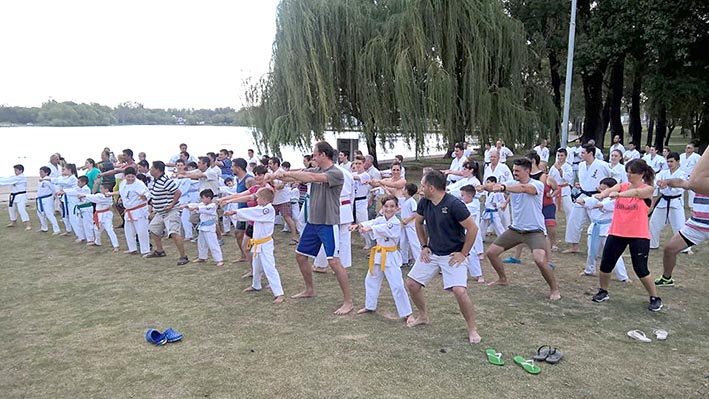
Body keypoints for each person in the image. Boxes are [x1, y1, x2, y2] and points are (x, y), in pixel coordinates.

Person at [266, 141, 353, 316]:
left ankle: (348, 302)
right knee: (300, 256)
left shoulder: (335, 173)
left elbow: (310, 178)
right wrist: (278, 176)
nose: (313, 157)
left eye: (315, 154)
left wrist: (285, 173)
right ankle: (309, 289)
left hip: (328, 223)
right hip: (313, 223)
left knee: (334, 262)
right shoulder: (316, 170)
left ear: (323, 155)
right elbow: (297, 176)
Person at [405, 170, 481, 343]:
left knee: (460, 291)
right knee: (412, 283)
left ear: (431, 188)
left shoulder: (455, 204)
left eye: (423, 185)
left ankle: (472, 330)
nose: (421, 189)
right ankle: (423, 316)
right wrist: (424, 245)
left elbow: (473, 228)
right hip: (432, 252)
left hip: (453, 255)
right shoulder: (424, 202)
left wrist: (463, 253)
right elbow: (418, 222)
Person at [591, 160, 663, 311]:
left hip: (638, 234)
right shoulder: (622, 185)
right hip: (617, 231)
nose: (629, 175)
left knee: (641, 269)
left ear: (642, 174)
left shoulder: (648, 189)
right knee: (606, 264)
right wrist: (603, 194)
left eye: (633, 172)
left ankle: (655, 298)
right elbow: (612, 189)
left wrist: (619, 195)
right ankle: (603, 291)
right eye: (628, 171)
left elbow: (636, 193)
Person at [484, 158, 561, 300]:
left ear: (528, 171)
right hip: (515, 230)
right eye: (513, 170)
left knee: (539, 260)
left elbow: (524, 189)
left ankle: (554, 290)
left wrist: (502, 188)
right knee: (491, 253)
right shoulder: (512, 183)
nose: (514, 173)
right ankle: (502, 279)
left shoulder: (537, 184)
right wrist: (486, 187)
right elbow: (498, 186)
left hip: (534, 231)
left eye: (517, 171)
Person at [350, 195, 413, 322]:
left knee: (397, 285)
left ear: (397, 208)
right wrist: (358, 225)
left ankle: (408, 313)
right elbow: (373, 222)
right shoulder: (380, 219)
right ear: (382, 207)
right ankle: (370, 305)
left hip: (390, 255)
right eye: (386, 206)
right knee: (371, 280)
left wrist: (370, 228)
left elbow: (384, 229)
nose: (389, 209)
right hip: (378, 253)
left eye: (392, 206)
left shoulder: (396, 222)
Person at [226, 188, 284, 304]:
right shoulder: (260, 208)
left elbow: (253, 213)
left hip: (265, 244)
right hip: (257, 244)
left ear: (264, 199)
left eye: (257, 198)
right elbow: (251, 211)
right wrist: (235, 212)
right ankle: (256, 285)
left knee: (269, 267)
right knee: (256, 266)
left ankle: (279, 293)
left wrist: (236, 212)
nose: (256, 199)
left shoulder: (268, 210)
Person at [654, 174, 709, 287]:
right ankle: (666, 279)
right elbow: (681, 182)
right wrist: (668, 181)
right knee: (669, 250)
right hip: (696, 225)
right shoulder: (699, 181)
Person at [576, 177, 630, 281]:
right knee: (591, 251)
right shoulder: (596, 197)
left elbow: (598, 205)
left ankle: (623, 277)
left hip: (608, 229)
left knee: (613, 253)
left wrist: (586, 202)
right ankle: (589, 270)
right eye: (600, 188)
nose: (602, 191)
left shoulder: (615, 200)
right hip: (595, 227)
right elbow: (588, 201)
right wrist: (582, 200)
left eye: (604, 189)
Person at [564, 145, 614, 253]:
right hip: (582, 196)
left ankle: (602, 250)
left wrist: (607, 189)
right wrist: (580, 185)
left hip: (597, 196)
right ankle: (574, 246)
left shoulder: (602, 165)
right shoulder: (581, 165)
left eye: (583, 153)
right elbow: (583, 179)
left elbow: (613, 178)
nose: (580, 155)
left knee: (598, 222)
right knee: (574, 220)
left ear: (590, 153)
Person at [313, 160, 355, 272]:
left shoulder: (328, 173)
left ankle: (321, 264)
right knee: (344, 239)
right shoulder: (347, 173)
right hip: (346, 206)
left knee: (327, 236)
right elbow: (352, 194)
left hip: (332, 206)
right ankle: (343, 266)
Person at [146, 161, 188, 265]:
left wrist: (171, 205)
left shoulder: (166, 181)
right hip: (161, 212)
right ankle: (160, 251)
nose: (150, 170)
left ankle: (183, 256)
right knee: (153, 229)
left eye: (152, 168)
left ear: (158, 170)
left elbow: (178, 192)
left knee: (174, 233)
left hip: (171, 211)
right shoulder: (156, 181)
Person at [649, 152, 687, 250]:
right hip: (663, 201)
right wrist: (658, 183)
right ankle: (653, 244)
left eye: (672, 161)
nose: (669, 163)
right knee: (653, 223)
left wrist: (668, 185)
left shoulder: (682, 174)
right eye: (668, 161)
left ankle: (684, 248)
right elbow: (655, 181)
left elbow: (681, 187)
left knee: (679, 225)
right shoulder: (663, 173)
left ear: (678, 162)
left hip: (676, 201)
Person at [109, 167, 150, 255]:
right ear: (125, 176)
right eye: (128, 177)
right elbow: (122, 193)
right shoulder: (123, 183)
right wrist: (119, 198)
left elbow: (147, 193)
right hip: (128, 210)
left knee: (142, 231)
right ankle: (132, 249)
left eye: (132, 177)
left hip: (139, 210)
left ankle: (145, 250)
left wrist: (144, 196)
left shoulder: (139, 184)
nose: (130, 178)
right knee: (129, 231)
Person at [182, 189, 223, 266]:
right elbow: (196, 205)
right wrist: (186, 206)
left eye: (203, 198)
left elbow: (202, 209)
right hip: (202, 227)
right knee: (201, 243)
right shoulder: (202, 204)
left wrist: (195, 208)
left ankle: (219, 259)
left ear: (208, 198)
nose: (202, 199)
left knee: (213, 244)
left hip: (210, 227)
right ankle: (202, 257)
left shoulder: (212, 206)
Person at [267, 157, 300, 244]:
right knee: (269, 219)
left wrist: (271, 187)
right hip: (273, 200)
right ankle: (269, 237)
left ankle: (294, 237)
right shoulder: (269, 173)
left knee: (287, 218)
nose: (269, 165)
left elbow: (281, 186)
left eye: (270, 163)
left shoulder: (282, 173)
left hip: (283, 199)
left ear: (276, 164)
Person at [78, 184, 120, 252]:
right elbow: (95, 197)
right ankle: (97, 242)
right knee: (96, 229)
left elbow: (95, 198)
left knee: (109, 229)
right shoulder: (101, 195)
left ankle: (116, 246)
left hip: (106, 215)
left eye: (101, 188)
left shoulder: (105, 196)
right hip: (99, 214)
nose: (100, 189)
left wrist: (84, 195)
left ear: (106, 189)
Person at [58, 175, 94, 243]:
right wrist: (64, 191)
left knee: (87, 224)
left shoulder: (86, 189)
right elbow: (73, 190)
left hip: (86, 208)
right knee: (79, 223)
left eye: (79, 182)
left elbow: (76, 193)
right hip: (80, 208)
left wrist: (65, 192)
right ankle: (81, 237)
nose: (77, 183)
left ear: (84, 183)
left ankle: (90, 239)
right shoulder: (78, 188)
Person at [459, 185, 484, 282]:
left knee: (471, 252)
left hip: (470, 233)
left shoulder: (473, 205)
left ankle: (478, 275)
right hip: (460, 232)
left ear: (469, 196)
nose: (461, 197)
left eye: (463, 195)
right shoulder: (464, 203)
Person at [483, 150, 513, 228]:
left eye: (494, 157)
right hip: (490, 195)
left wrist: (507, 192)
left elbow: (510, 181)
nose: (492, 158)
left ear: (498, 158)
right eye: (491, 157)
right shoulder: (487, 168)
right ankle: (490, 230)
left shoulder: (503, 167)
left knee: (504, 217)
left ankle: (506, 230)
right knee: (489, 215)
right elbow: (485, 182)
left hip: (501, 194)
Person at [47, 164, 78, 235]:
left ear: (69, 170)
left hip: (72, 200)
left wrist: (61, 191)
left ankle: (79, 234)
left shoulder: (73, 178)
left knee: (72, 217)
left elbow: (63, 182)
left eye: (64, 169)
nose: (63, 170)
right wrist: (46, 178)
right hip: (65, 199)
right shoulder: (65, 178)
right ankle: (68, 230)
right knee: (65, 215)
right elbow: (57, 180)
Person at [351, 155, 373, 249]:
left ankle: (368, 242)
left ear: (364, 164)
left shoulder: (365, 175)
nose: (357, 165)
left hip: (361, 200)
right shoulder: (352, 173)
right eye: (356, 163)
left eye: (359, 163)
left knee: (363, 221)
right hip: (353, 200)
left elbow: (356, 178)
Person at [0, 164, 31, 230]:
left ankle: (28, 224)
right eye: (14, 170)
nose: (15, 171)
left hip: (21, 196)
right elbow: (6, 179)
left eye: (16, 170)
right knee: (11, 209)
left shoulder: (21, 177)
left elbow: (8, 181)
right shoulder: (14, 177)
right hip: (13, 195)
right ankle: (13, 222)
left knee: (21, 210)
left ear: (21, 170)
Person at [548, 148, 574, 222]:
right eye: (558, 155)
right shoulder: (553, 167)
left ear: (566, 156)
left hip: (564, 190)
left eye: (561, 155)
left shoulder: (568, 167)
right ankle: (551, 223)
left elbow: (568, 178)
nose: (559, 157)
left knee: (569, 210)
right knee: (551, 209)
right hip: (554, 190)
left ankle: (570, 224)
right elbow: (550, 178)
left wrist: (560, 170)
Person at [399, 183, 421, 267]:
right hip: (404, 225)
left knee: (414, 243)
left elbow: (415, 213)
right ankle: (403, 260)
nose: (402, 190)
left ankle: (419, 261)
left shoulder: (412, 201)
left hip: (410, 225)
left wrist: (407, 220)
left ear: (407, 191)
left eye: (403, 188)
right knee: (403, 242)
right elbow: (394, 196)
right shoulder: (404, 200)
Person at [36, 166, 60, 234]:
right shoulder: (40, 180)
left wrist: (55, 195)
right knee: (40, 213)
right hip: (40, 198)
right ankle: (44, 227)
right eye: (40, 172)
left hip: (47, 199)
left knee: (49, 214)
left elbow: (53, 188)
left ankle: (56, 229)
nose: (40, 173)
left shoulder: (49, 180)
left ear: (46, 173)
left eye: (42, 172)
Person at [679, 143, 701, 208]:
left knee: (691, 192)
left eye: (689, 148)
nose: (687, 149)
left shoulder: (697, 156)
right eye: (686, 147)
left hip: (691, 176)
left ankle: (692, 206)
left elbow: (699, 166)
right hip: (682, 175)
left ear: (693, 149)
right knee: (680, 190)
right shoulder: (681, 156)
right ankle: (681, 205)